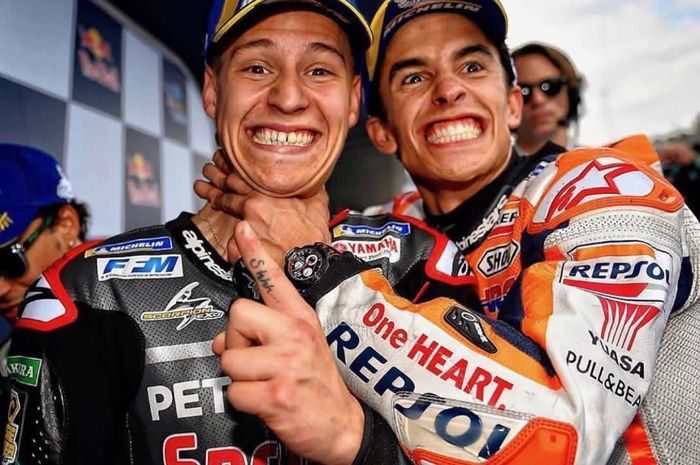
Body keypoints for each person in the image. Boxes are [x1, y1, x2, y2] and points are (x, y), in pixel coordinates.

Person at [202, 1, 699, 464]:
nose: (448, 90)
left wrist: (315, 262)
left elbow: (557, 437)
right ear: (382, 132)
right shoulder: (387, 228)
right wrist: (270, 199)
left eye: (472, 66)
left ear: (512, 104)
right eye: (414, 77)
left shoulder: (605, 190)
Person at [1, 2, 400, 464]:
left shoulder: (418, 258)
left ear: (353, 99)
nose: (289, 97)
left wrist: (355, 435)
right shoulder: (89, 294)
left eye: (319, 70)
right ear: (212, 91)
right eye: (257, 67)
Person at [511, 42, 585, 155]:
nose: (538, 100)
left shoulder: (604, 162)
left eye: (550, 86)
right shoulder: (491, 167)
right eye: (523, 91)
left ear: (572, 94)